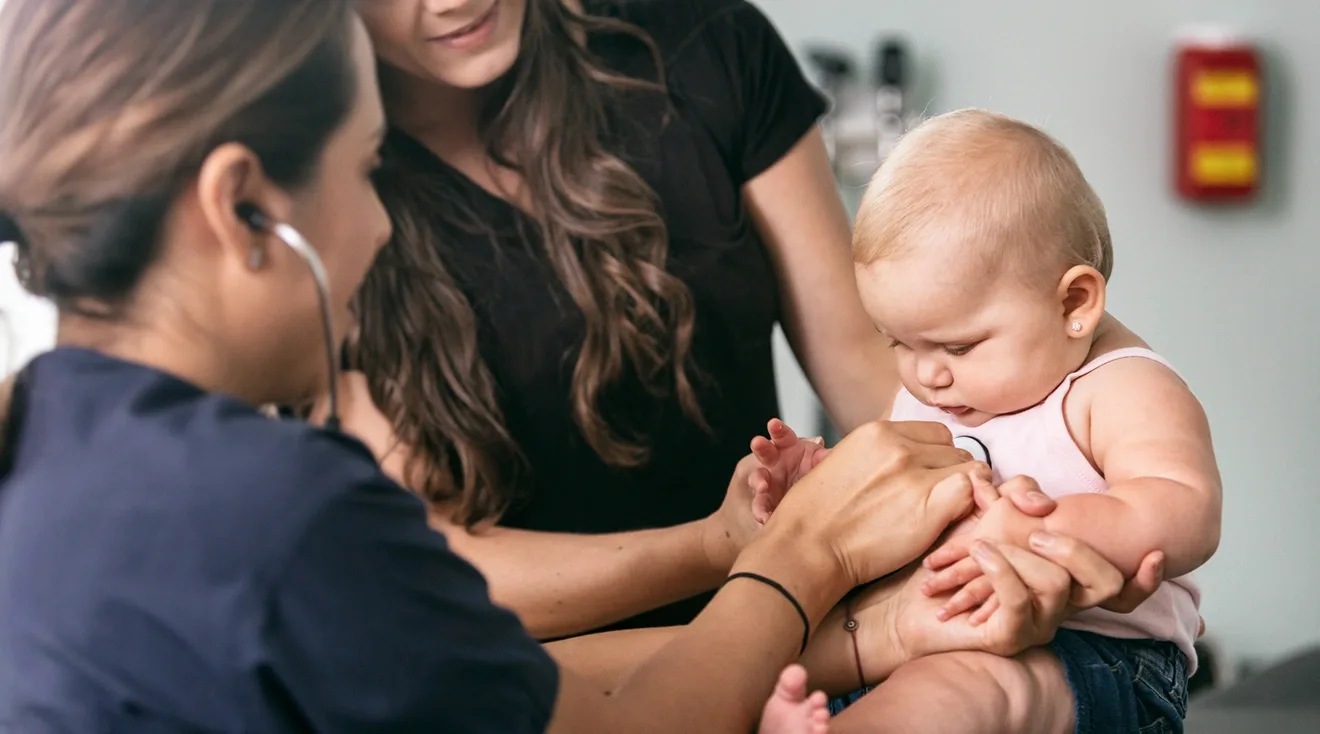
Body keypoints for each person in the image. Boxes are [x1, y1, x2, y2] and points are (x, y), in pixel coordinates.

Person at [0, 2, 1162, 731]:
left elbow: (496, 675)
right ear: (245, 207)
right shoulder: (280, 515)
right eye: (365, 172)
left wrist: (882, 615)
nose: (380, 223)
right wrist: (804, 554)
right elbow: (614, 719)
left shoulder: (51, 448)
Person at [343, 0, 898, 638]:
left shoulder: (707, 45)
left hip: (801, 638)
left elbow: (867, 366)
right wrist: (718, 545)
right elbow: (432, 565)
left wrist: (997, 488)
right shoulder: (315, 200)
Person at [786, 108, 1220, 733]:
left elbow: (1186, 508)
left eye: (957, 347)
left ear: (1074, 303)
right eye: (897, 343)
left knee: (958, 690)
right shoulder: (937, 388)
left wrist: (1044, 531)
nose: (926, 375)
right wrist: (813, 495)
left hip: (1098, 659)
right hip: (921, 641)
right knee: (792, 672)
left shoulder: (1119, 387)